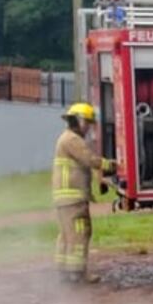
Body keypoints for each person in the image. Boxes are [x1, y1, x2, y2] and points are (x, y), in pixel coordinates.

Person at [52, 102, 118, 284]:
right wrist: (114, 165)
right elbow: (90, 159)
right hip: (73, 198)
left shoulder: (65, 138)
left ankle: (64, 271)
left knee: (67, 234)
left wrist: (101, 179)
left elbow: (83, 166)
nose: (89, 127)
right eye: (87, 123)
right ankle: (78, 273)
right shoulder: (72, 140)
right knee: (80, 233)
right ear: (79, 121)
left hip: (65, 198)